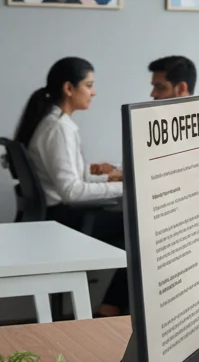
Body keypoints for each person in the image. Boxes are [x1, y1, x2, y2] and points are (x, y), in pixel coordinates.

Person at [14, 57, 128, 316]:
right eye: (89, 85)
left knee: (131, 228)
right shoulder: (57, 128)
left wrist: (109, 177)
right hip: (64, 219)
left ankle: (111, 305)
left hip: (58, 215)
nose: (94, 92)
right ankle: (111, 307)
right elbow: (72, 191)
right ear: (69, 88)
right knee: (140, 226)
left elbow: (70, 177)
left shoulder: (53, 123)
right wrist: (126, 187)